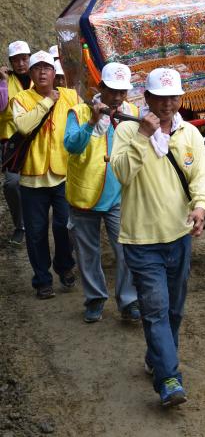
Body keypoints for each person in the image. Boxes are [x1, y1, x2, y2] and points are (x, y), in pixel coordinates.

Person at [111, 67, 205, 407]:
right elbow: (122, 173)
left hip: (178, 237)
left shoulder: (191, 136)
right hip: (141, 240)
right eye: (160, 98)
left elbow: (201, 179)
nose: (167, 104)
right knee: (155, 309)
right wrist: (142, 136)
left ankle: (158, 357)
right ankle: (169, 378)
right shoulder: (127, 131)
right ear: (147, 99)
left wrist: (200, 208)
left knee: (174, 311)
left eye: (173, 97)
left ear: (180, 99)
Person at [64, 63, 140, 323]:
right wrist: (91, 124)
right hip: (85, 195)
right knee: (88, 253)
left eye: (122, 92)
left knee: (127, 250)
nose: (117, 97)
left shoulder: (132, 113)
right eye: (112, 91)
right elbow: (71, 146)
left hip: (120, 194)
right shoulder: (79, 112)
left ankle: (129, 301)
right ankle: (95, 299)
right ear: (101, 89)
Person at [12, 51, 79, 299]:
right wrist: (47, 101)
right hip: (32, 176)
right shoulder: (21, 98)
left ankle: (64, 265)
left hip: (64, 174)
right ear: (30, 74)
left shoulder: (71, 96)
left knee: (64, 225)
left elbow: (81, 126)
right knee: (37, 231)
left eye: (46, 68)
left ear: (54, 73)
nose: (42, 72)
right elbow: (24, 126)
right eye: (36, 68)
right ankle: (42, 279)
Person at [0, 40, 32, 244]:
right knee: (12, 183)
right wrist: (2, 81)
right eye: (16, 60)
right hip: (12, 140)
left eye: (24, 59)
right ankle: (21, 224)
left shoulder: (40, 76)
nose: (21, 63)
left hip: (37, 136)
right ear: (10, 62)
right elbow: (2, 108)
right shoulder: (5, 80)